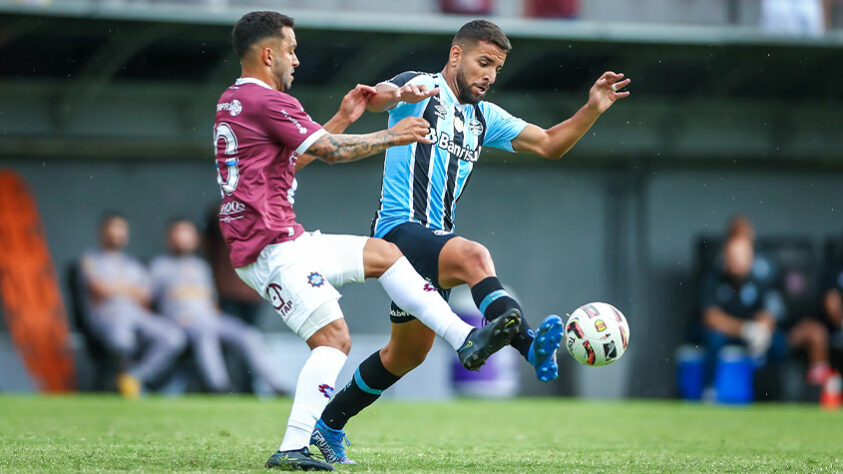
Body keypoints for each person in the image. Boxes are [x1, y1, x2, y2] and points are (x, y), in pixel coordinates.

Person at [307, 19, 630, 464]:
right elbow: (377, 97)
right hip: (397, 234)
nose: (489, 76)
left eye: (496, 68)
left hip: (433, 248)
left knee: (406, 355)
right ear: (456, 55)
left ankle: (327, 426)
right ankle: (530, 345)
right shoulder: (420, 86)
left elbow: (551, 144)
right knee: (474, 254)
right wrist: (401, 95)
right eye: (483, 63)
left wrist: (593, 107)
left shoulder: (485, 118)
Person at [215, 12, 520, 471]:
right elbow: (329, 152)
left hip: (280, 239)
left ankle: (464, 339)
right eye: (292, 50)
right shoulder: (271, 103)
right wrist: (391, 135)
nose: (297, 60)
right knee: (334, 341)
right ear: (268, 54)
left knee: (385, 254)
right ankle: (294, 445)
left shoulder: (235, 100)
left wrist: (341, 117)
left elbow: (289, 165)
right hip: (271, 248)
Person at [149, 218, 287, 394]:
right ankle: (219, 386)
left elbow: (210, 299)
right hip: (180, 323)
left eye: (187, 233)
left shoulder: (201, 266)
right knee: (205, 332)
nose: (183, 238)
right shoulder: (159, 266)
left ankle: (276, 387)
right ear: (169, 237)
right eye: (178, 233)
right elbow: (149, 303)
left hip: (209, 318)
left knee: (248, 335)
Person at [701, 236, 830, 394]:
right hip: (727, 334)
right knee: (714, 339)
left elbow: (768, 313)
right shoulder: (713, 278)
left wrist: (762, 329)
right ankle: (710, 390)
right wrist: (744, 329)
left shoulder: (758, 280)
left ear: (751, 258)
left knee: (778, 343)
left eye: (742, 256)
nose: (737, 262)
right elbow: (711, 317)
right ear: (726, 257)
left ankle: (772, 392)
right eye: (733, 256)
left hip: (752, 337)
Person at [80, 212, 186, 398]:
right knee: (122, 340)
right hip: (108, 314)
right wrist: (129, 289)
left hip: (135, 313)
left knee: (173, 337)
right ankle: (125, 384)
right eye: (112, 228)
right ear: (102, 231)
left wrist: (115, 287)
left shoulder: (133, 264)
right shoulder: (90, 259)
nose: (116, 234)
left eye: (121, 229)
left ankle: (134, 378)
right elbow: (98, 288)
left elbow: (146, 295)